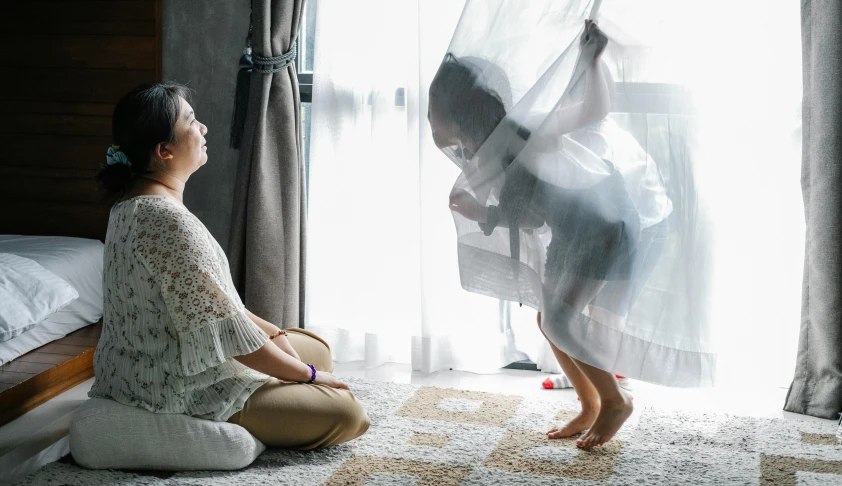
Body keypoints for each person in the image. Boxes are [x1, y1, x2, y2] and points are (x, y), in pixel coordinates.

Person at [429, 20, 671, 448]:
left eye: (433, 112)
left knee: (560, 320)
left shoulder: (524, 129)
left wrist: (591, 62)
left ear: (456, 115)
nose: (429, 121)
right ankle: (590, 403)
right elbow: (528, 216)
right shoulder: (487, 154)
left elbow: (591, 111)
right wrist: (481, 212)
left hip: (604, 227)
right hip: (572, 232)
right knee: (549, 319)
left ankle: (615, 401)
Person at [91, 83, 370, 450]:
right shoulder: (164, 220)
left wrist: (282, 340)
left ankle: (287, 392)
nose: (203, 128)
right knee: (349, 414)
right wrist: (309, 377)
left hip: (154, 362)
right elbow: (227, 335)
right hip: (173, 383)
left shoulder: (134, 205)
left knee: (315, 349)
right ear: (164, 151)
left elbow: (224, 310)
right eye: (191, 121)